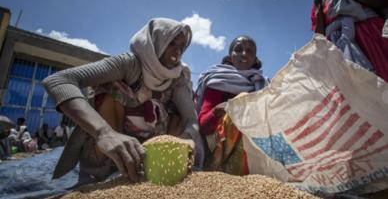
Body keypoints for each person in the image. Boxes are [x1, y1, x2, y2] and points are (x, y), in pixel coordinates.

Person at [42, 18, 204, 184]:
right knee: (111, 90)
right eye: (171, 43)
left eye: (182, 46)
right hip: (111, 144)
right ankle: (106, 170)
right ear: (156, 41)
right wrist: (104, 133)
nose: (177, 52)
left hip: (151, 152)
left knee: (178, 115)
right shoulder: (129, 64)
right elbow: (58, 81)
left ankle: (155, 172)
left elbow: (191, 119)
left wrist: (186, 137)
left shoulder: (178, 78)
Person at [195, 35, 269, 175]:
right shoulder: (218, 81)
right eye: (238, 49)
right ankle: (215, 170)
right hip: (217, 143)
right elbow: (203, 126)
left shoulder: (261, 85)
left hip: (250, 142)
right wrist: (218, 111)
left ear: (255, 58)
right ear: (230, 56)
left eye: (249, 51)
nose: (244, 54)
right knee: (242, 100)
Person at [313, 0, 388, 81]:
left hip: (371, 34)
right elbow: (320, 36)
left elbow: (382, 0)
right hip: (338, 48)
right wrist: (319, 9)